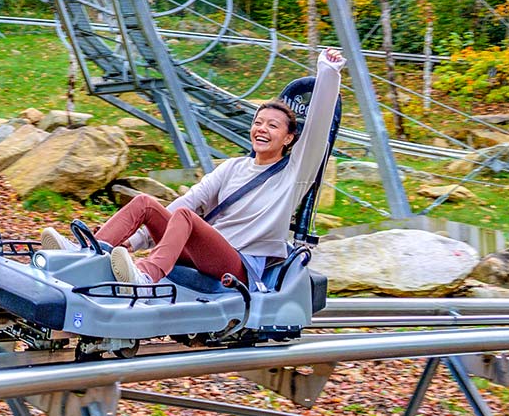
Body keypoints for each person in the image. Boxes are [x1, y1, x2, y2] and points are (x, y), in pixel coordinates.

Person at [42, 47, 346, 290]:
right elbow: (187, 202)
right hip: (201, 252)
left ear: (289, 137)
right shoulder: (233, 167)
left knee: (186, 218)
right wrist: (135, 242)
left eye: (272, 126)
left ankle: (147, 275)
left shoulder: (295, 173)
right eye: (257, 122)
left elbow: (319, 128)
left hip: (239, 263)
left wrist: (328, 72)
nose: (261, 129)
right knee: (145, 203)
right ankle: (88, 253)